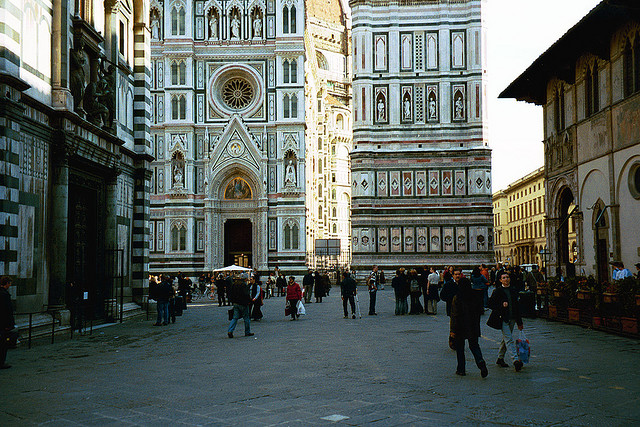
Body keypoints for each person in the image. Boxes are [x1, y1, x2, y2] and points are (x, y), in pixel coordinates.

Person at [450, 272, 488, 377]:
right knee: (474, 346)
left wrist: (452, 330)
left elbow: (454, 315)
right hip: (473, 325)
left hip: (460, 326)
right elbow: (481, 311)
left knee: (460, 348)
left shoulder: (457, 297)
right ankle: (480, 361)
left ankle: (461, 369)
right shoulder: (475, 296)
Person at [488, 272, 524, 372]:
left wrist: (519, 322)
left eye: (507, 277)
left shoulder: (513, 290)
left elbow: (517, 307)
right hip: (503, 318)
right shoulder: (498, 291)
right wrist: (501, 305)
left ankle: (500, 358)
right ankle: (515, 360)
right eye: (504, 278)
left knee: (506, 339)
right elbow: (489, 304)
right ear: (500, 280)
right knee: (509, 339)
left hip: (512, 318)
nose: (506, 279)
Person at [0, 276, 16, 369]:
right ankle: (1, 362)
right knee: (3, 344)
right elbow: (7, 311)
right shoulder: (4, 295)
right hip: (3, 324)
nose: (10, 285)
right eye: (9, 283)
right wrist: (9, 325)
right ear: (7, 283)